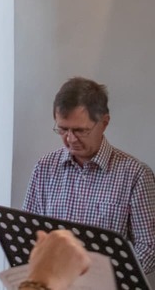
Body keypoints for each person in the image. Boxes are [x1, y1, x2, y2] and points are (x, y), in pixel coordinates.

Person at [24, 77, 155, 275]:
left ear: (104, 123)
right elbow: (30, 231)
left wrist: (105, 277)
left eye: (80, 130)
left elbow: (149, 247)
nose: (70, 139)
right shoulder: (45, 168)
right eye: (63, 129)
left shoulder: (135, 175)